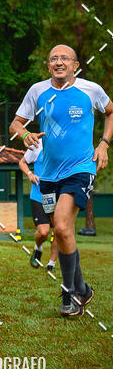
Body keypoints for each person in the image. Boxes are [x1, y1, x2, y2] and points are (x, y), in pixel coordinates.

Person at [10, 45, 113, 317]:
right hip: (48, 174)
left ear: (75, 65)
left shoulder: (91, 90)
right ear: (48, 66)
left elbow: (111, 111)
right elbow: (15, 124)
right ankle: (82, 288)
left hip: (80, 168)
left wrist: (103, 144)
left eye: (64, 58)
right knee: (60, 229)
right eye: (53, 58)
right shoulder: (37, 91)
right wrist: (25, 135)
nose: (58, 62)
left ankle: (69, 295)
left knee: (63, 225)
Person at [18, 141, 58, 273]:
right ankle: (38, 246)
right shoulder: (37, 144)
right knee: (43, 232)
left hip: (57, 195)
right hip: (38, 195)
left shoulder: (64, 143)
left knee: (58, 230)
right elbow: (22, 162)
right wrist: (30, 174)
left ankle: (51, 263)